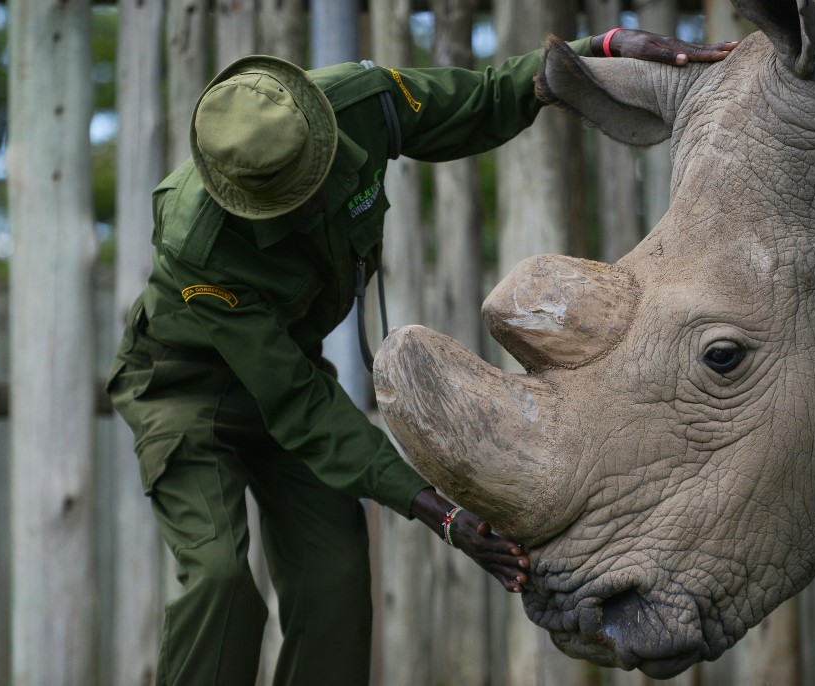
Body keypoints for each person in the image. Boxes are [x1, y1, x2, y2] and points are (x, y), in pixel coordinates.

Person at [106, 26, 736, 685]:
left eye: (314, 178)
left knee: (335, 574)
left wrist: (593, 54)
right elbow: (296, 401)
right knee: (219, 578)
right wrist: (436, 510)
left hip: (291, 377)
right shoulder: (200, 245)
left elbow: (483, 98)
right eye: (289, 201)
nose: (316, 202)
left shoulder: (358, 104)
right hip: (187, 393)